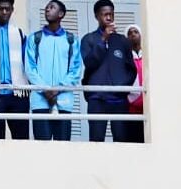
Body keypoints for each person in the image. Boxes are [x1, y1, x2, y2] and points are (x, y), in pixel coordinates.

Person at [25, 0, 81, 142]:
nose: (47, 10)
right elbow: (30, 68)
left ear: (61, 14)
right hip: (40, 101)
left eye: (52, 7)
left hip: (63, 102)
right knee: (41, 147)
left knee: (62, 149)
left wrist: (57, 88)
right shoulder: (34, 38)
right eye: (46, 8)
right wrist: (45, 89)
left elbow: (76, 70)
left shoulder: (72, 40)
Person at [80, 0, 136, 142]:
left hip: (118, 100)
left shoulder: (123, 41)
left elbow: (131, 70)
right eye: (105, 14)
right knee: (97, 140)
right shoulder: (88, 39)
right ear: (97, 16)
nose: (109, 18)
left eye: (111, 14)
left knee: (122, 141)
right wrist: (103, 39)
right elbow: (89, 63)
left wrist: (122, 88)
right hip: (96, 99)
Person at [0, 0, 28, 141]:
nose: (4, 12)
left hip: (17, 94)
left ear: (12, 9)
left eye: (7, 9)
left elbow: (27, 62)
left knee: (21, 140)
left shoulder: (20, 33)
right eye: (1, 9)